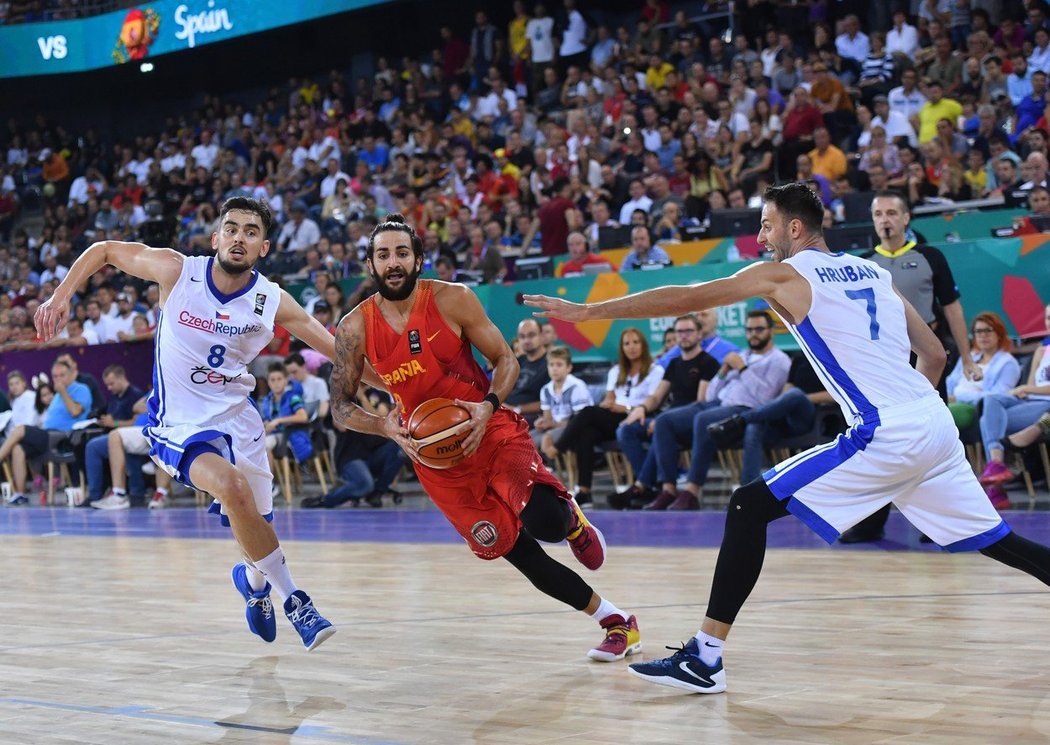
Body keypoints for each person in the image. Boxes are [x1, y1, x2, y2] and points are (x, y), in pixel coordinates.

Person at [525, 182, 1050, 694]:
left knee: (746, 505)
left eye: (767, 224)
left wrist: (593, 312)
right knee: (998, 540)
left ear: (794, 228)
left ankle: (705, 659)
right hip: (931, 420)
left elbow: (686, 297)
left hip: (887, 429)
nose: (760, 236)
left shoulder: (784, 275)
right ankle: (704, 656)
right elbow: (934, 355)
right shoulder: (874, 272)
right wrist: (914, 419)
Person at [327, 214, 642, 662]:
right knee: (517, 552)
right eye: (383, 255)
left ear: (418, 259)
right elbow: (340, 406)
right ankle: (616, 622)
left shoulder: (453, 299)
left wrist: (488, 405)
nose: (393, 262)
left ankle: (571, 519)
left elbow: (505, 359)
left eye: (401, 253)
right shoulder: (355, 328)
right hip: (435, 458)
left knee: (544, 523)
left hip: (487, 428)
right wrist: (383, 426)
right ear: (371, 265)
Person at [35, 196, 337, 651]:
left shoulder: (270, 300)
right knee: (233, 491)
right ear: (216, 238)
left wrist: (397, 387)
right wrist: (60, 296)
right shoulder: (177, 271)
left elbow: (337, 350)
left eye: (250, 232)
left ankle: (254, 587)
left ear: (264, 248)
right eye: (231, 228)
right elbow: (102, 250)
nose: (239, 237)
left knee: (255, 522)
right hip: (178, 423)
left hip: (239, 418)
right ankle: (296, 600)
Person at [840, 191, 980, 543]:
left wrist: (966, 356)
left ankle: (940, 524)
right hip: (883, 364)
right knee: (880, 441)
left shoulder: (930, 256)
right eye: (878, 214)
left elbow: (952, 309)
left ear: (906, 219)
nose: (884, 220)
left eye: (891, 213)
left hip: (927, 356)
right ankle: (871, 522)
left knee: (933, 439)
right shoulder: (861, 264)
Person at [611, 313, 720, 508]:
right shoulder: (674, 363)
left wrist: (664, 418)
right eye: (680, 331)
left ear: (698, 334)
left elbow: (700, 402)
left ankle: (655, 488)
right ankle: (652, 487)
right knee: (625, 429)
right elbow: (656, 397)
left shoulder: (708, 362)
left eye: (688, 331)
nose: (684, 336)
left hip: (692, 421)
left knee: (662, 426)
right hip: (667, 419)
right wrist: (642, 409)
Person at [553, 327, 665, 506]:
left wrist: (625, 407)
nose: (631, 347)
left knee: (588, 412)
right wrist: (609, 404)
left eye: (635, 342)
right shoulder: (617, 370)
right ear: (622, 348)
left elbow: (654, 402)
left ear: (643, 345)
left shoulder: (655, 370)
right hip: (614, 417)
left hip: (638, 416)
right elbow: (610, 398)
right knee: (586, 433)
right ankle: (584, 490)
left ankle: (558, 448)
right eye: (627, 343)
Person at [532, 346, 593, 460]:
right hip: (557, 426)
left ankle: (550, 470)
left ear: (569, 367)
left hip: (575, 428)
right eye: (551, 365)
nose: (554, 369)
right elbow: (548, 418)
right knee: (526, 439)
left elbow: (580, 421)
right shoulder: (545, 389)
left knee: (547, 438)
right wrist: (542, 423)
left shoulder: (576, 386)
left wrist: (552, 425)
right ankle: (534, 473)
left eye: (559, 365)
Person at [504, 318, 549, 418]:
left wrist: (516, 409)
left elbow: (551, 401)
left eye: (531, 335)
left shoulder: (551, 364)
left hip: (529, 417)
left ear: (542, 335)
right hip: (505, 411)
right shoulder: (518, 361)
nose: (526, 340)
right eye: (522, 336)